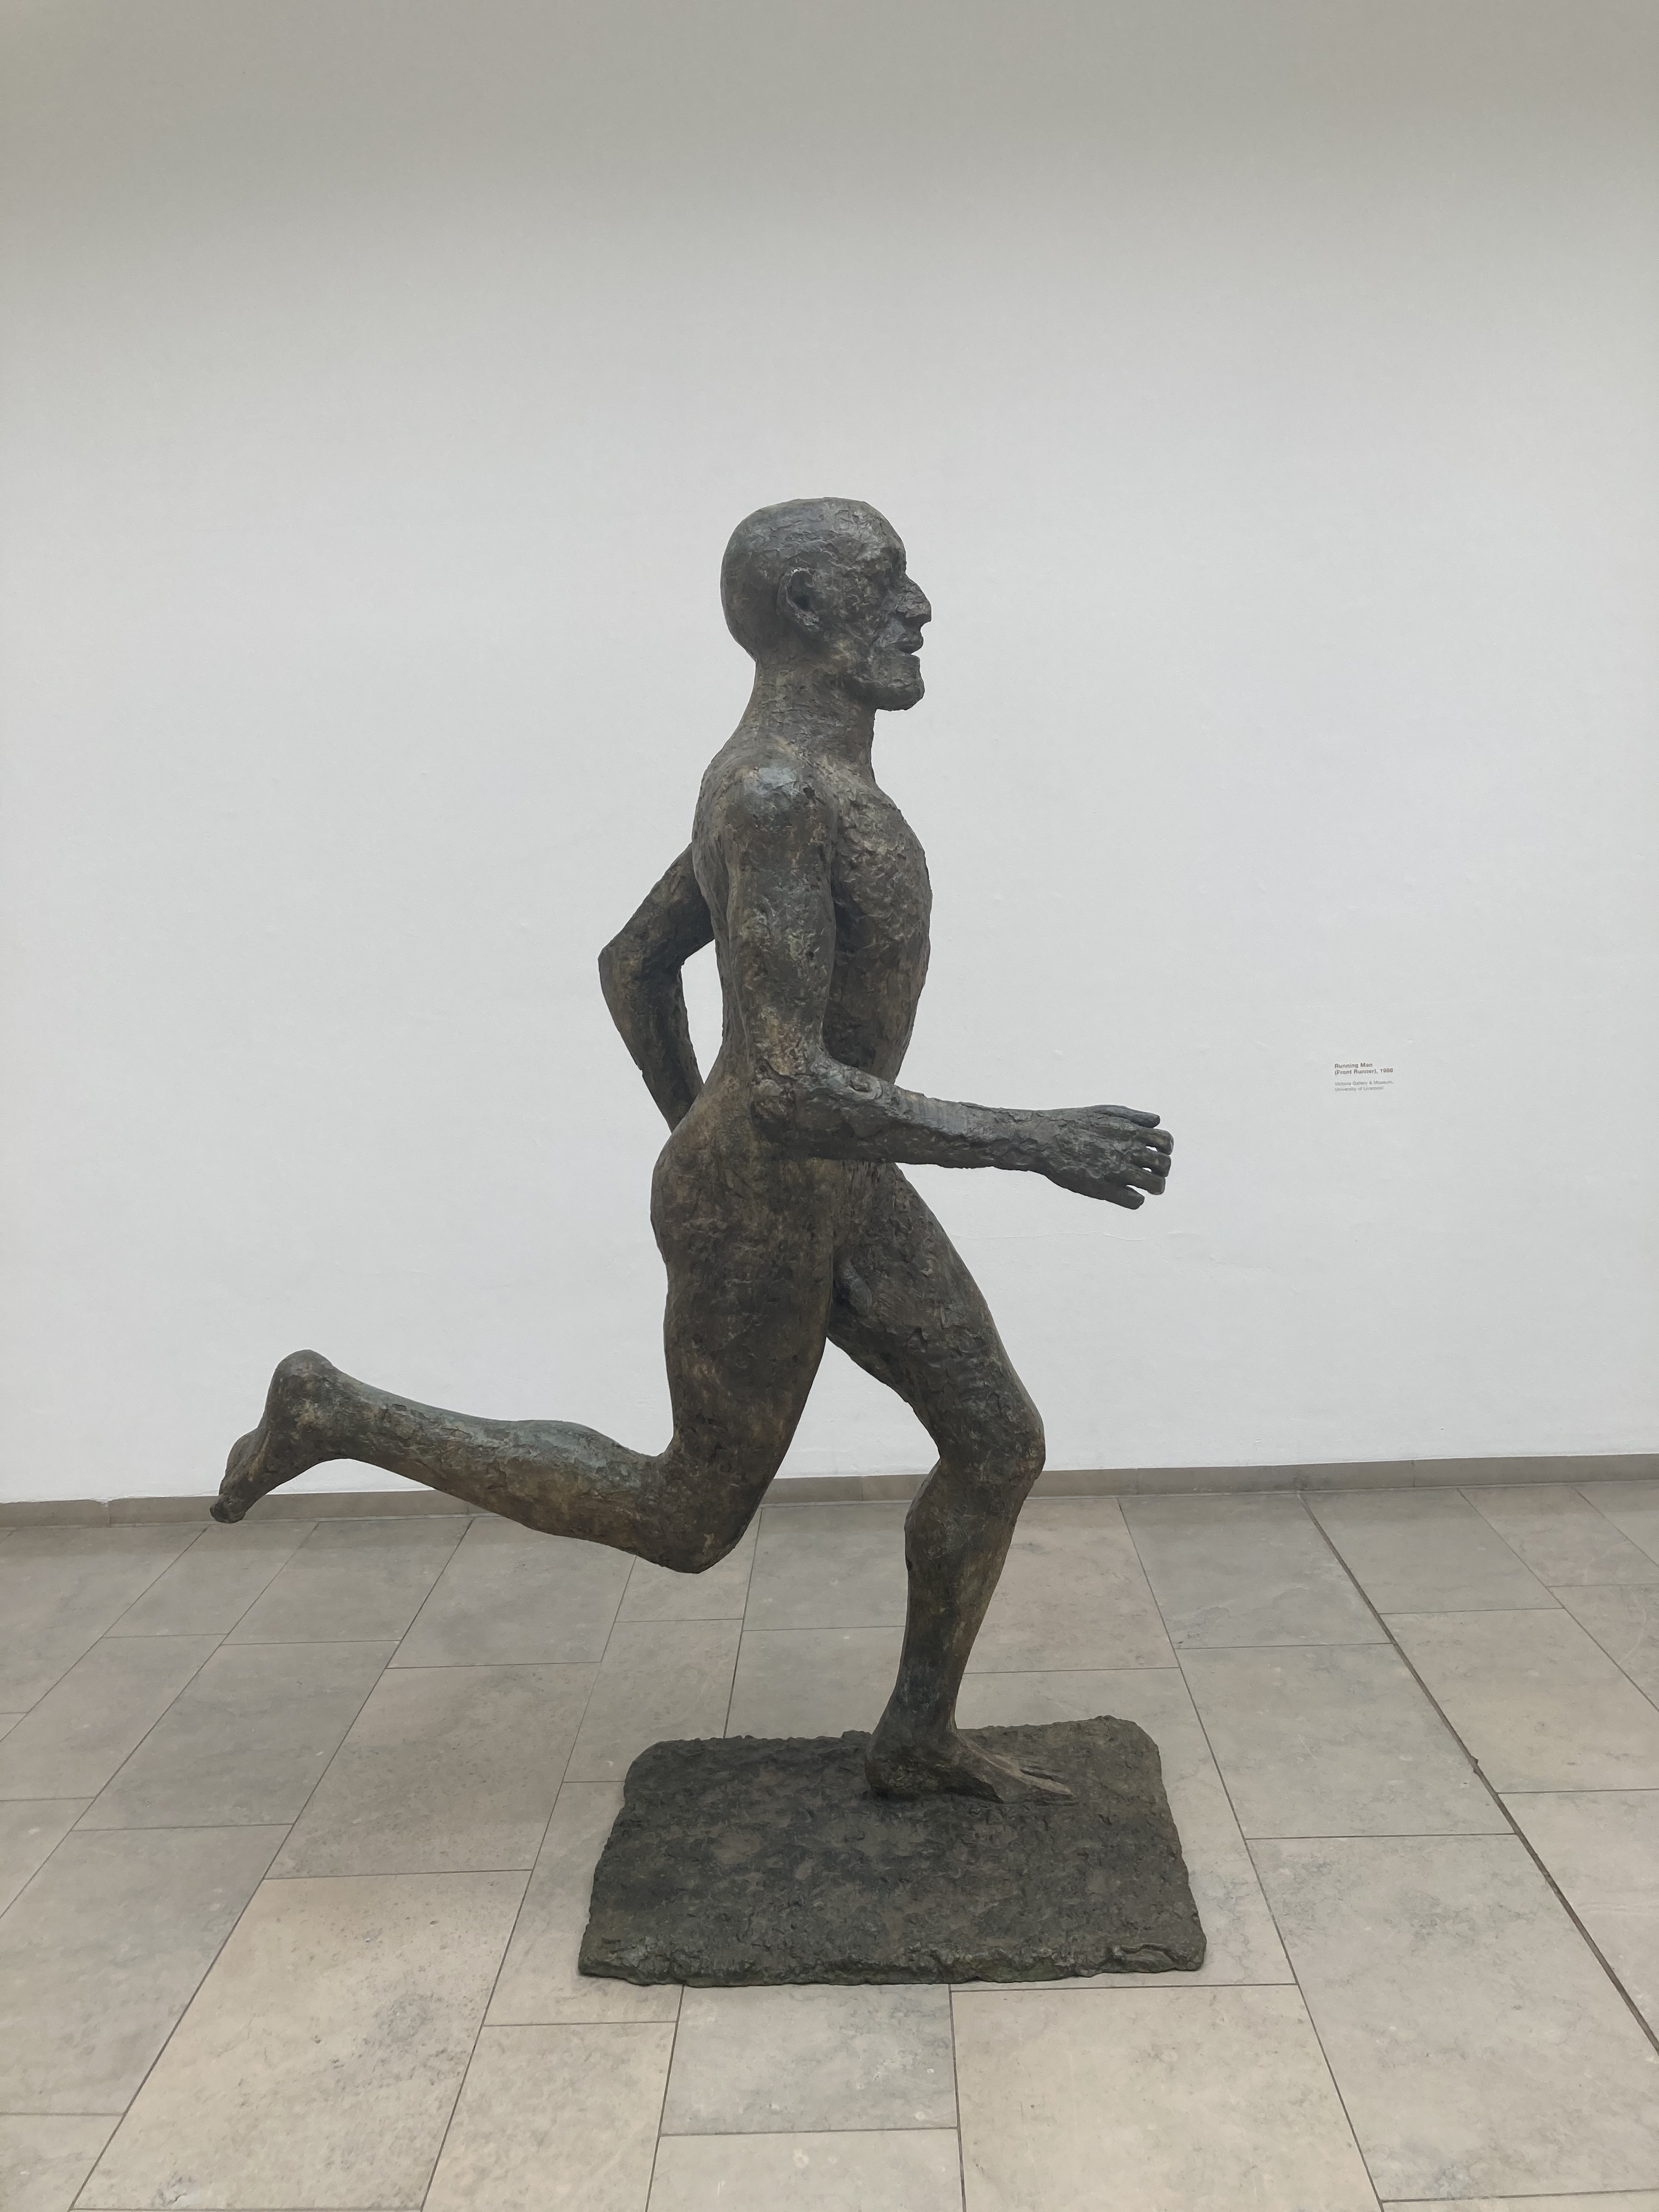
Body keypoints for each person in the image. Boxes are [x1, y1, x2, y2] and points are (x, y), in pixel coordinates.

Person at [213, 497, 1173, 1800]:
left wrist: (706, 1138)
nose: (919, 607)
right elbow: (783, 1084)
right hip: (778, 1181)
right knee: (688, 1517)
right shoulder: (771, 793)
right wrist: (1028, 1140)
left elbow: (635, 963)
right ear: (808, 608)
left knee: (997, 1442)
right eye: (888, 580)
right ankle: (335, 1410)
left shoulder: (805, 784)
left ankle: (916, 1739)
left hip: (822, 1177)